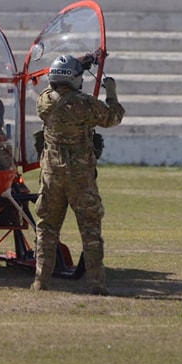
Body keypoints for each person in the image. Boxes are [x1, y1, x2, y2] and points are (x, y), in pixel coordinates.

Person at [32, 54, 124, 295]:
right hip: (80, 177)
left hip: (51, 177)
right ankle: (96, 284)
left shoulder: (43, 101)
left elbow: (56, 89)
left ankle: (41, 281)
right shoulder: (86, 103)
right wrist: (111, 91)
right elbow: (114, 117)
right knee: (90, 229)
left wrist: (75, 66)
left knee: (46, 229)